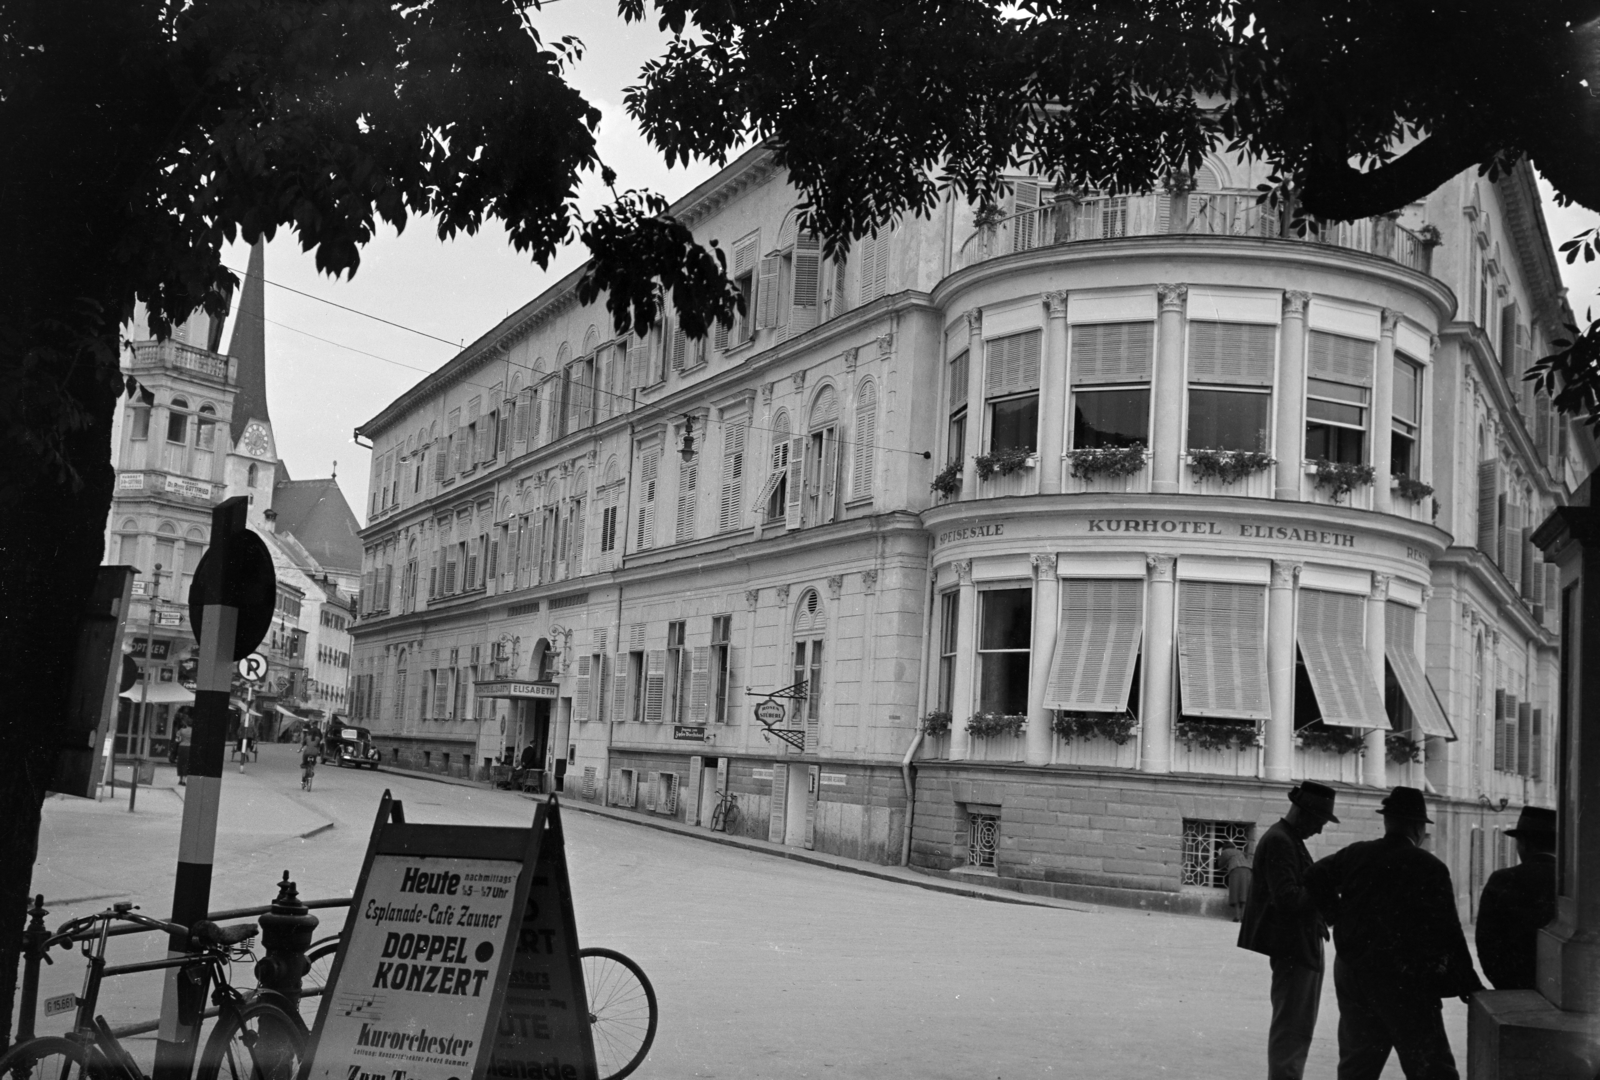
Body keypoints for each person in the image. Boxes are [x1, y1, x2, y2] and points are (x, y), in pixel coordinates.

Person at [1306, 786, 1483, 1080]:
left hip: (1353, 971)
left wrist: (1336, 915)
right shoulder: (1429, 867)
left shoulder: (1356, 853)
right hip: (1404, 980)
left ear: (1387, 821)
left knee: (1357, 1063)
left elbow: (1313, 876)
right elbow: (1449, 932)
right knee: (1431, 1067)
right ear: (1417, 827)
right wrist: (1468, 981)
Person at [1238, 781, 1340, 1080]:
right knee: (1292, 1032)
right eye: (1319, 822)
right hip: (1295, 948)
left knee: (1296, 1030)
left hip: (1301, 946)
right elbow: (1288, 900)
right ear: (1303, 812)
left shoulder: (1287, 838)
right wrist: (1328, 881)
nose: (1320, 830)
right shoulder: (1281, 840)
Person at [1475, 805, 1558, 990]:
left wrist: (1504, 983)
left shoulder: (1503, 879)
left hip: (1513, 987)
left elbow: (1486, 942)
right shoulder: (1574, 883)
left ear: (1525, 843)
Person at [1220, 843, 1254, 923]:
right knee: (1244, 895)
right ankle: (1243, 917)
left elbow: (1220, 864)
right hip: (1248, 871)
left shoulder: (1225, 852)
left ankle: (1237, 916)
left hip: (1236, 871)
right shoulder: (1239, 851)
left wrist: (1219, 855)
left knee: (1235, 894)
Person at [174, 719, 193, 786]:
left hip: (181, 747)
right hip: (189, 748)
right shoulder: (193, 731)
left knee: (180, 763)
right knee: (186, 763)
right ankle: (184, 780)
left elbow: (177, 740)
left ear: (186, 724)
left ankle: (180, 779)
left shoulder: (181, 730)